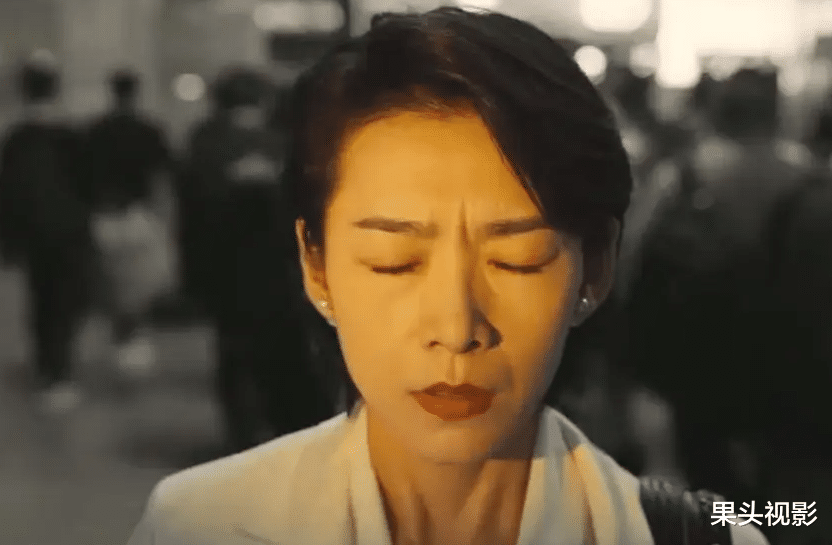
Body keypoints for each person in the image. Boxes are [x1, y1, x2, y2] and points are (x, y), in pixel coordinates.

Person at [127, 8, 768, 545]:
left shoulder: (703, 536)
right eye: (394, 261)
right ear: (316, 267)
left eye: (517, 258)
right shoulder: (202, 527)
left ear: (594, 268)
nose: (457, 328)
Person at [179, 66, 334, 453]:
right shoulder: (286, 145)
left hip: (227, 272)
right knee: (285, 354)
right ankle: (286, 432)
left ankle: (243, 435)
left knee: (235, 354)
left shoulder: (204, 146)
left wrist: (192, 277)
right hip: (284, 271)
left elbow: (190, 219)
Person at [0, 58, 92, 413]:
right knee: (66, 301)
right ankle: (60, 369)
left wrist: (9, 238)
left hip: (34, 234)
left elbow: (8, 193)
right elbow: (88, 185)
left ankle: (49, 368)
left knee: (41, 299)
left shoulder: (16, 139)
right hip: (69, 231)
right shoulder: (70, 135)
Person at [83, 69, 174, 378]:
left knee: (113, 281)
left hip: (104, 213)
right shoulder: (148, 130)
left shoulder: (97, 131)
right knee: (140, 282)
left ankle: (122, 338)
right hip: (139, 212)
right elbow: (161, 175)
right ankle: (135, 338)